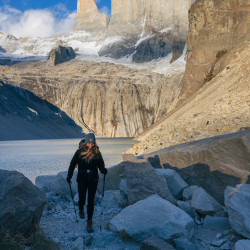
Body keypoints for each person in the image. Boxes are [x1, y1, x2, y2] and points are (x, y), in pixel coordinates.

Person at [66, 133, 107, 233]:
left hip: (93, 179)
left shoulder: (97, 153)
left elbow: (101, 165)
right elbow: (72, 164)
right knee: (82, 198)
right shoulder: (79, 152)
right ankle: (81, 208)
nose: (90, 145)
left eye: (92, 143)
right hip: (82, 179)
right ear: (86, 142)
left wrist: (103, 170)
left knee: (91, 201)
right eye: (89, 143)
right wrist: (69, 176)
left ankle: (89, 221)